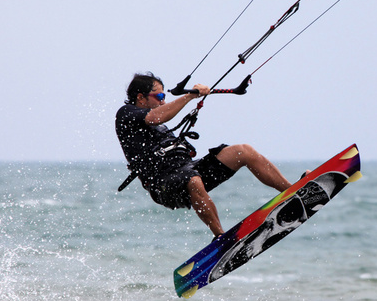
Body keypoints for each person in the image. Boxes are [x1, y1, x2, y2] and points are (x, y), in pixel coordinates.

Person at [115, 72, 296, 238]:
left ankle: (292, 191)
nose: (163, 101)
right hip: (163, 185)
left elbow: (159, 118)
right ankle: (220, 237)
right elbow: (156, 117)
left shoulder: (157, 125)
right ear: (140, 97)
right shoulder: (126, 114)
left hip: (188, 169)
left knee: (243, 151)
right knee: (192, 180)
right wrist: (190, 96)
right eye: (160, 96)